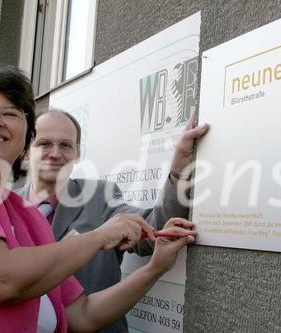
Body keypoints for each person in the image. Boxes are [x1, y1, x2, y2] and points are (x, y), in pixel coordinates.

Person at [0, 65, 196, 333]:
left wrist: (154, 268)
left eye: (10, 113)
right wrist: (98, 237)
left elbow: (82, 314)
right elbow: (2, 279)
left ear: (25, 133)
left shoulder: (27, 217)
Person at [17, 109, 208, 332]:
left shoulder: (100, 196)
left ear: (77, 153)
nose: (55, 153)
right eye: (44, 144)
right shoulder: (3, 206)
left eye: (66, 145)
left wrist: (178, 172)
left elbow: (154, 228)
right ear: (26, 151)